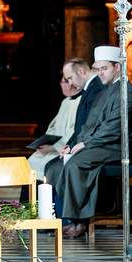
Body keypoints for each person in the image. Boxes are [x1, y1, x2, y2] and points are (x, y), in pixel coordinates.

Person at [52, 45, 132, 238]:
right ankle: (70, 219)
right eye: (97, 69)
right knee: (59, 165)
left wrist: (86, 144)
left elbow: (113, 128)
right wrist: (75, 144)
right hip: (100, 144)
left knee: (75, 164)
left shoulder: (127, 92)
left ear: (117, 67)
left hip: (117, 147)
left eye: (104, 68)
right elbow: (89, 125)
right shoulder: (105, 91)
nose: (100, 73)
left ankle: (81, 222)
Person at [44, 57, 103, 185]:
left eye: (70, 78)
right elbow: (80, 126)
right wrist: (68, 145)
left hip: (91, 146)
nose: (70, 84)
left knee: (53, 168)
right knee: (50, 166)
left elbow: (90, 125)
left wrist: (71, 147)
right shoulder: (90, 88)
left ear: (81, 71)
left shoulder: (97, 88)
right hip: (81, 143)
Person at [28, 74, 81, 180]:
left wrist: (53, 148)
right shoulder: (65, 102)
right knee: (31, 161)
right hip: (54, 146)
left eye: (62, 82)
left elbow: (73, 131)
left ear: (69, 85)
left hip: (61, 149)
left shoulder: (79, 103)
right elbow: (54, 127)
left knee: (44, 165)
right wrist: (44, 142)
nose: (60, 85)